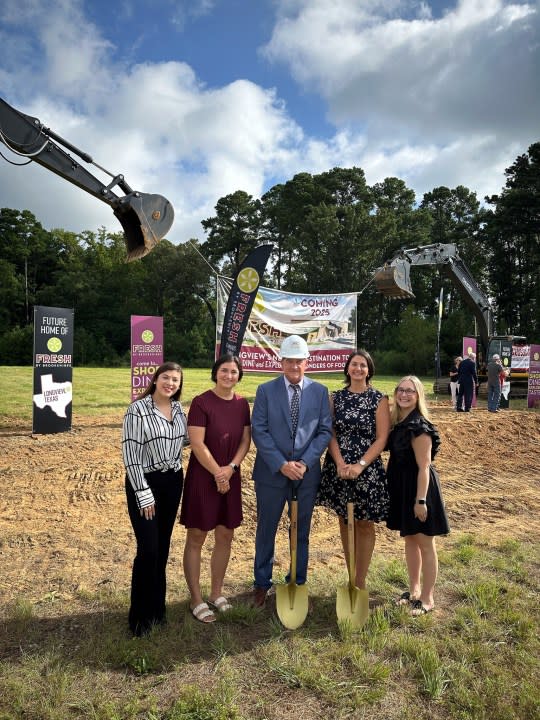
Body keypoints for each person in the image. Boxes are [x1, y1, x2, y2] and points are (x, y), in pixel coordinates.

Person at [251, 334, 333, 607]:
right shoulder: (265, 390)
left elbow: (324, 432)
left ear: (306, 362)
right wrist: (282, 465)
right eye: (289, 361)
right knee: (266, 528)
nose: (294, 366)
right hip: (272, 474)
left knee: (301, 530)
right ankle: (262, 583)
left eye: (299, 361)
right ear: (281, 362)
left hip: (306, 475)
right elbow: (259, 431)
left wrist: (305, 462)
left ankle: (297, 582)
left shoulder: (320, 392)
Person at [180, 354, 251, 623]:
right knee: (197, 536)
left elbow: (246, 440)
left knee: (225, 534)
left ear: (239, 375)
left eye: (234, 371)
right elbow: (197, 443)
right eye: (224, 370)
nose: (229, 376)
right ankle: (196, 597)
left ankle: (216, 592)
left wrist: (230, 469)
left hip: (231, 475)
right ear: (215, 373)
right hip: (203, 477)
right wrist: (217, 474)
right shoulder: (201, 402)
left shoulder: (243, 404)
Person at [122, 361, 189, 636]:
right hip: (145, 482)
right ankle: (139, 618)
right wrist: (143, 493)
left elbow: (187, 441)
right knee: (147, 549)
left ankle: (157, 610)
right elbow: (131, 455)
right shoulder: (137, 410)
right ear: (156, 379)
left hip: (172, 483)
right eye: (166, 378)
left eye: (175, 380)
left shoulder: (178, 410)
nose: (170, 383)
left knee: (162, 548)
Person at [316, 350, 390, 590]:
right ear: (347, 369)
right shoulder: (334, 398)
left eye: (363, 365)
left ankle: (360, 581)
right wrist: (339, 462)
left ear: (369, 370)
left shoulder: (379, 399)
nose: (358, 369)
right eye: (354, 365)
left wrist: (359, 465)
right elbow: (330, 433)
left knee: (364, 523)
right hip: (338, 467)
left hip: (366, 469)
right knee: (344, 520)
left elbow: (381, 438)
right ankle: (350, 576)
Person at [386, 376, 450, 615]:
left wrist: (420, 501)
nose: (404, 394)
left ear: (418, 396)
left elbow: (424, 467)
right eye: (400, 390)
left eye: (410, 391)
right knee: (410, 540)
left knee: (424, 542)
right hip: (403, 488)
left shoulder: (419, 427)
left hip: (419, 490)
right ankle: (414, 591)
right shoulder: (400, 422)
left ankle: (427, 598)